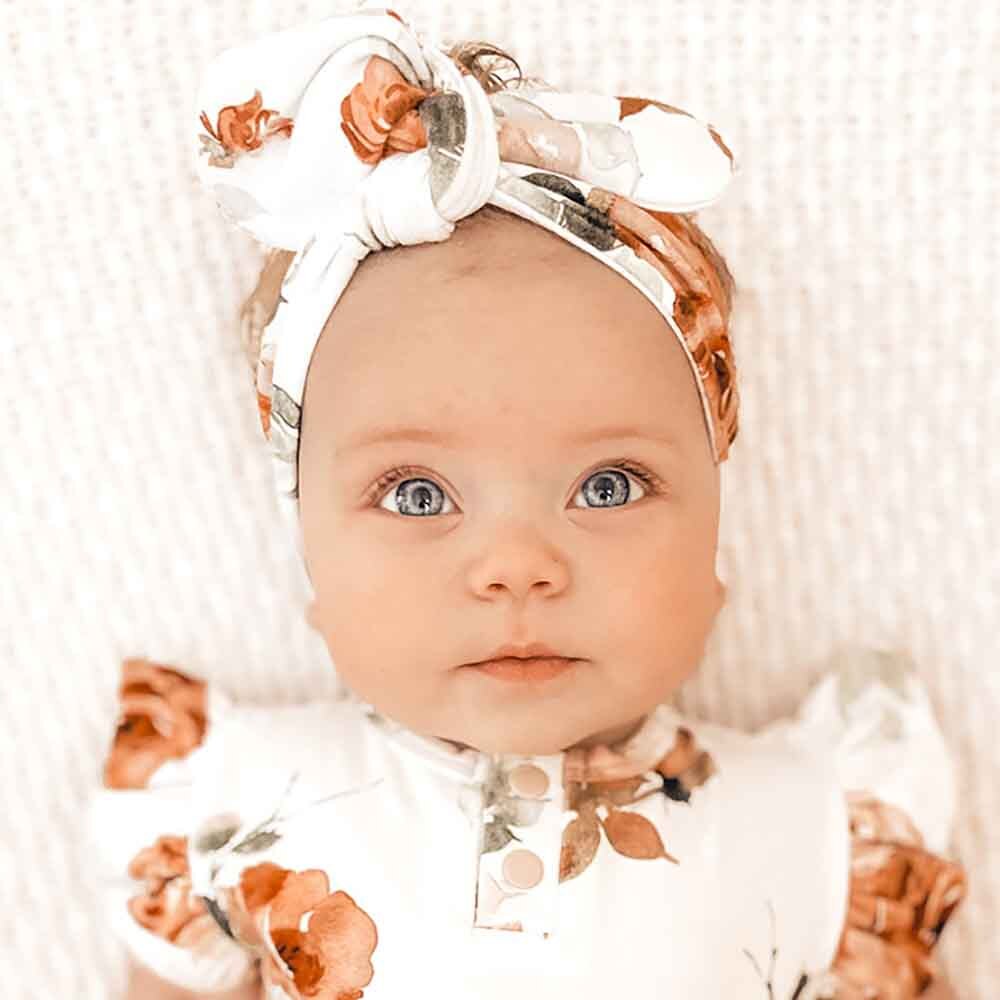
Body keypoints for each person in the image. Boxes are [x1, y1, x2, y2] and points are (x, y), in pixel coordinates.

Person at [87, 6, 967, 998]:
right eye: (416, 494)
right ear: (307, 543)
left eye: (606, 485)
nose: (516, 563)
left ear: (716, 524)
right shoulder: (235, 806)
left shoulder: (817, 829)